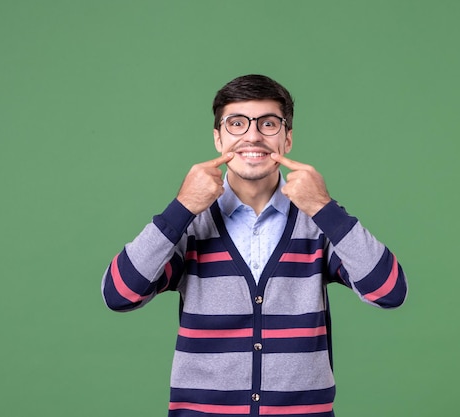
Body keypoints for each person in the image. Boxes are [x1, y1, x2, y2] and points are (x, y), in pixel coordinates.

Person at [101, 74, 408, 417]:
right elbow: (120, 294)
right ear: (218, 138)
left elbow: (389, 291)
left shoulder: (316, 221)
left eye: (268, 123)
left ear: (287, 138)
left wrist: (324, 208)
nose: (253, 135)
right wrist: (183, 206)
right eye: (237, 123)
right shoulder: (190, 224)